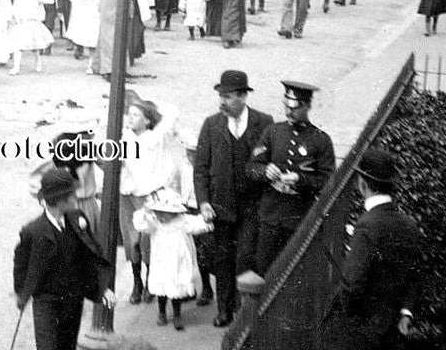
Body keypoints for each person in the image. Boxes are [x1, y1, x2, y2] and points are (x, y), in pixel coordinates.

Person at [319, 148, 423, 350]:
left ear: (362, 184)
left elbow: (353, 285)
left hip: (359, 333)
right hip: (391, 332)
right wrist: (406, 312)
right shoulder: (410, 225)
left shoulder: (367, 225)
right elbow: (414, 277)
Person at [194, 70, 274, 328]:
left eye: (228, 97)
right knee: (222, 260)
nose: (222, 101)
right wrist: (203, 202)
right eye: (221, 96)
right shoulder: (211, 124)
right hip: (220, 207)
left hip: (251, 207)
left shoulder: (264, 122)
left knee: (245, 258)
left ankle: (242, 311)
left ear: (242, 96)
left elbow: (269, 162)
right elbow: (200, 169)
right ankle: (224, 310)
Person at [13, 167, 115, 350]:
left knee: (67, 346)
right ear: (60, 200)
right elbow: (21, 265)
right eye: (71, 194)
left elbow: (89, 257)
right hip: (46, 302)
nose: (76, 196)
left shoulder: (78, 220)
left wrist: (102, 289)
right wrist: (21, 295)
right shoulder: (33, 231)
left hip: (73, 301)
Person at [248, 81, 335, 276]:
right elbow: (251, 167)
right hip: (270, 217)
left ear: (307, 106)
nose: (289, 112)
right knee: (264, 272)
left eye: (295, 108)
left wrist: (301, 179)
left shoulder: (321, 140)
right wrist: (265, 171)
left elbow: (328, 181)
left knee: (294, 275)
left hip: (299, 220)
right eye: (286, 106)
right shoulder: (273, 132)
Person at [119, 97, 181, 305]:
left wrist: (151, 107)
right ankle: (136, 282)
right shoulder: (125, 138)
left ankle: (149, 282)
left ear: (147, 120)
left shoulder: (156, 138)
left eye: (136, 115)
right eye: (129, 114)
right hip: (128, 196)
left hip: (147, 196)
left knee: (147, 241)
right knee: (132, 241)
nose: (130, 118)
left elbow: (171, 113)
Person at [132, 188, 213, 331]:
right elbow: (141, 224)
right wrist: (145, 212)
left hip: (178, 263)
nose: (159, 215)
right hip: (161, 262)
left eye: (162, 212)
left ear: (172, 212)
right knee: (162, 290)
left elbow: (197, 224)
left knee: (177, 290)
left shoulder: (183, 221)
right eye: (157, 212)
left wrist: (205, 220)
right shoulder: (154, 223)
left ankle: (177, 314)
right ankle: (162, 312)